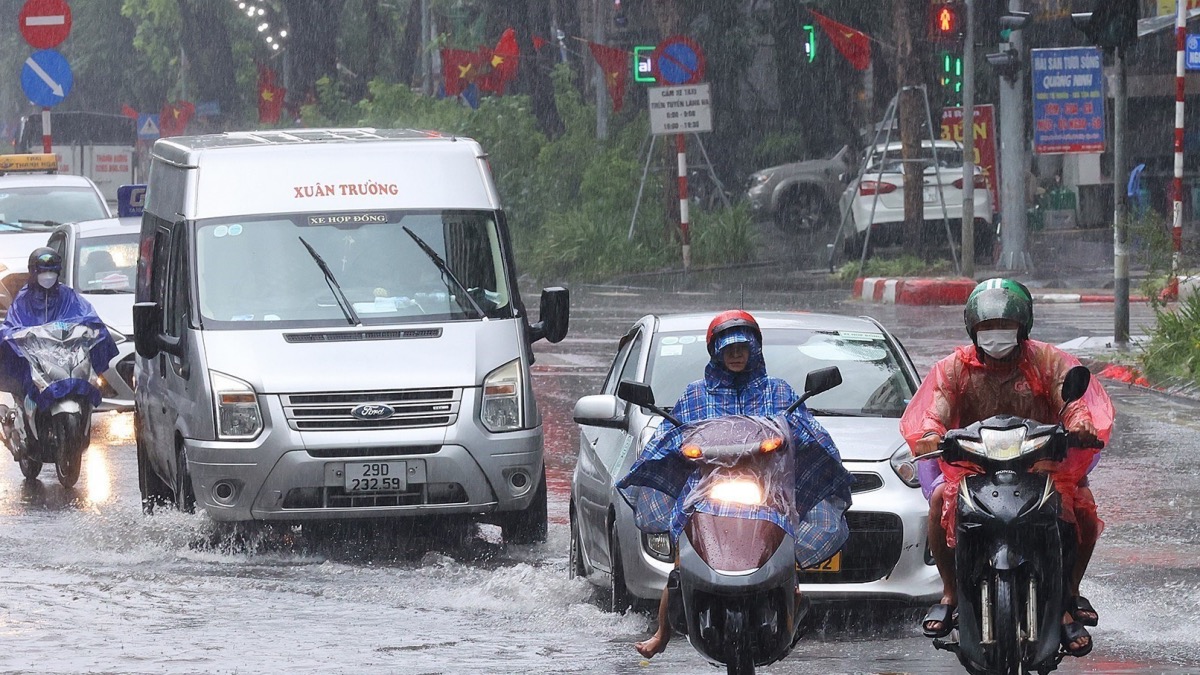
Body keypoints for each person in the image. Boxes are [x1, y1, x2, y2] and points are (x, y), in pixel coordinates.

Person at [616, 310, 853, 659]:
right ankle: (662, 633)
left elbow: (807, 430)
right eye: (729, 350)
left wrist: (790, 437)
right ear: (716, 354)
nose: (736, 355)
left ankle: (792, 597)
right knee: (681, 561)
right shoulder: (696, 395)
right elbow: (671, 433)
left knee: (787, 545)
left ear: (755, 350)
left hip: (766, 491)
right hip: (707, 489)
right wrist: (678, 446)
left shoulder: (779, 392)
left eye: (742, 348)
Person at [902, 278, 1115, 658]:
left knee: (1080, 506)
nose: (995, 336)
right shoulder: (954, 369)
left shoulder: (1047, 362)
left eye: (1004, 328)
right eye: (986, 328)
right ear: (973, 329)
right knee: (938, 500)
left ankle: (1068, 597)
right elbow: (935, 412)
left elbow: (1071, 401)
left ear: (1023, 328)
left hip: (1042, 463)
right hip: (974, 465)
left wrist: (1079, 423)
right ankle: (950, 592)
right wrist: (932, 433)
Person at [0, 247, 118, 412]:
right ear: (33, 272)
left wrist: (90, 328)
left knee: (84, 386)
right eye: (43, 272)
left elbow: (87, 316)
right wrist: (16, 335)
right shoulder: (24, 300)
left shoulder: (68, 296)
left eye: (52, 272)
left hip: (68, 358)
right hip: (39, 362)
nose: (47, 277)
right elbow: (12, 325)